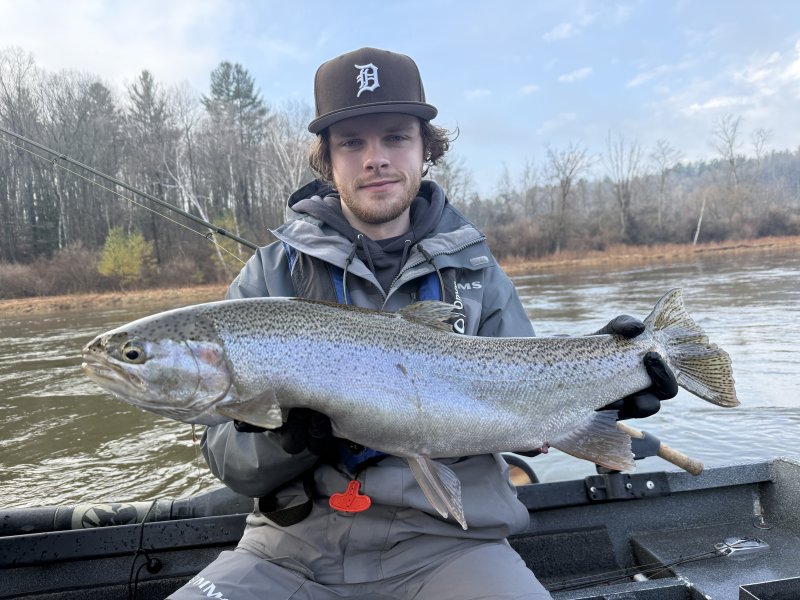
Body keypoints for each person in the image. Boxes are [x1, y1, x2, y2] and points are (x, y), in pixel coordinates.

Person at [169, 47, 677, 600]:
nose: (375, 159)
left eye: (395, 137)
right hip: (287, 552)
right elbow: (228, 462)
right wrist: (286, 443)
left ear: (425, 149)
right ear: (327, 159)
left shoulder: (479, 273)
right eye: (352, 143)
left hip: (452, 545)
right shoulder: (269, 275)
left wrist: (600, 388)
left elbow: (526, 410)